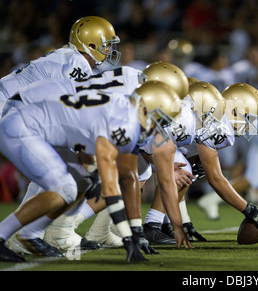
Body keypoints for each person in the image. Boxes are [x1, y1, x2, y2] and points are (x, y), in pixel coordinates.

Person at [0, 80, 181, 263]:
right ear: (145, 109)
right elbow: (112, 189)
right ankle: (6, 234)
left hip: (44, 132)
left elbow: (85, 134)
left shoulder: (124, 108)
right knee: (64, 188)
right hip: (24, 129)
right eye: (159, 120)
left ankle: (30, 235)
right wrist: (129, 237)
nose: (157, 129)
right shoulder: (122, 123)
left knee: (82, 183)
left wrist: (135, 232)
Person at [142, 82, 258, 244]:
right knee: (184, 170)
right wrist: (248, 209)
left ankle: (162, 224)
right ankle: (152, 225)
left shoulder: (214, 113)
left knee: (186, 172)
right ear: (235, 111)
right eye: (248, 119)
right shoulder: (221, 126)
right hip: (150, 137)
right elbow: (216, 179)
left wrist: (184, 221)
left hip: (151, 136)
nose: (248, 127)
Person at [0, 15, 121, 116]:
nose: (109, 50)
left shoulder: (69, 56)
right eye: (107, 45)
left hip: (11, 103)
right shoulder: (76, 62)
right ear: (92, 45)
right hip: (5, 104)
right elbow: (82, 109)